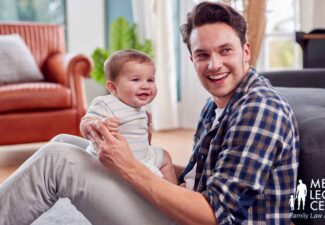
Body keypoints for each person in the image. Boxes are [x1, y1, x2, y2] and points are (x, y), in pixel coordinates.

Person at [0, 2, 299, 225]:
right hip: (184, 208)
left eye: (226, 51)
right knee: (62, 142)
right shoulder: (219, 104)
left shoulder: (260, 110)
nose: (214, 65)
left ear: (246, 52)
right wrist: (145, 157)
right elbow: (205, 180)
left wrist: (129, 166)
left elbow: (213, 215)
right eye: (203, 55)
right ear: (191, 58)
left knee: (57, 162)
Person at [80, 49, 177, 184]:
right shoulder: (106, 103)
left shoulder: (140, 110)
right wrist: (100, 123)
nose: (145, 85)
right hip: (114, 163)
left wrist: (146, 129)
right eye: (136, 79)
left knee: (165, 156)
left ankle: (174, 194)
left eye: (150, 80)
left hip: (141, 159)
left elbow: (145, 142)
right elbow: (85, 124)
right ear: (112, 87)